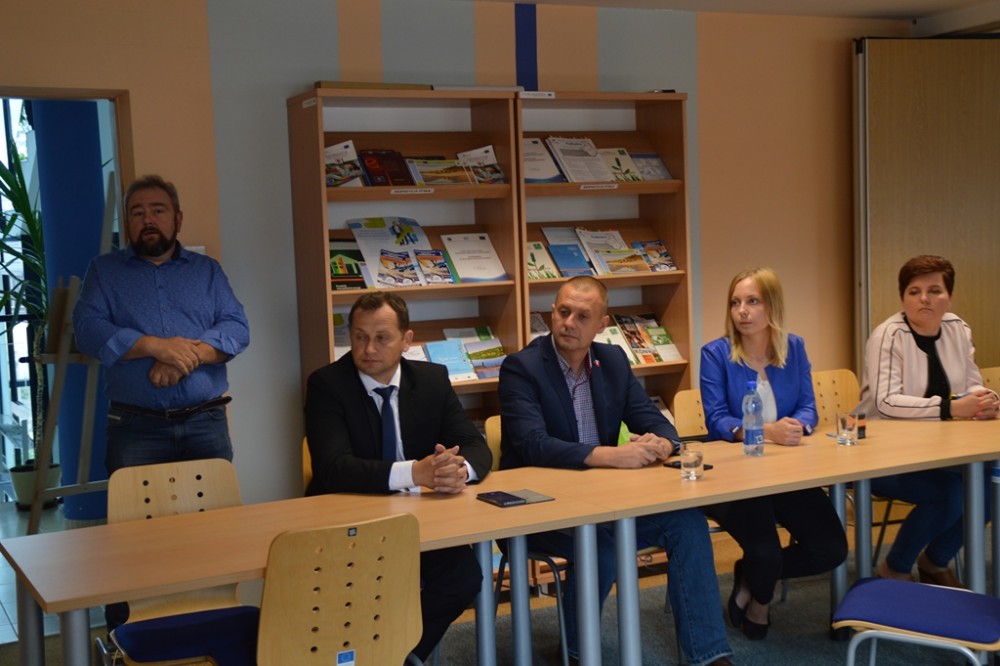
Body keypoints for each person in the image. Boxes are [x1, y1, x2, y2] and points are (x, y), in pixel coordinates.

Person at [499, 276, 734, 666]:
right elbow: (531, 444)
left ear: (601, 324)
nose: (569, 322)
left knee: (688, 524)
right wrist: (610, 455)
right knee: (600, 546)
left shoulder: (612, 361)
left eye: (582, 316)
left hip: (606, 503)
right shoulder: (522, 368)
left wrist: (664, 442)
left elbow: (651, 419)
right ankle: (577, 653)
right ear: (552, 313)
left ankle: (708, 656)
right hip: (541, 510)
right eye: (563, 312)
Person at [304, 291, 492, 662]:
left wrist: (457, 471)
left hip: (422, 521)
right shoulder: (327, 384)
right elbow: (334, 467)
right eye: (359, 337)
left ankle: (395, 654)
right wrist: (416, 472)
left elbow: (475, 446)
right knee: (356, 592)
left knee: (463, 579)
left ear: (407, 340)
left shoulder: (432, 379)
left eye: (382, 338)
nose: (368, 349)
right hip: (349, 522)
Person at [700, 267, 847, 640]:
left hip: (786, 472)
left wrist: (797, 427)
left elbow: (808, 407)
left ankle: (750, 576)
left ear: (772, 306)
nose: (742, 311)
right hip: (734, 477)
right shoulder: (715, 354)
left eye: (753, 301)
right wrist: (767, 431)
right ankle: (760, 601)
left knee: (831, 549)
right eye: (735, 302)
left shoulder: (793, 347)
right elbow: (717, 420)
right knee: (765, 552)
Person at [73, 174, 250, 474]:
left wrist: (185, 357)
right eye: (137, 213)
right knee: (136, 507)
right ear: (127, 223)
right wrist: (154, 346)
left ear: (178, 219)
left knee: (215, 506)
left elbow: (237, 327)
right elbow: (87, 329)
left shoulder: (207, 270)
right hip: (134, 429)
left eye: (158, 210)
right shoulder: (104, 271)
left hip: (206, 424)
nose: (148, 220)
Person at [858, 255, 999, 586]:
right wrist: (952, 408)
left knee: (993, 485)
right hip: (879, 454)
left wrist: (985, 399)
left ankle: (934, 560)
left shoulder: (958, 328)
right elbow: (886, 402)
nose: (924, 299)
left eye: (934, 290)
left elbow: (971, 382)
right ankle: (895, 566)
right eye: (914, 291)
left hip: (938, 449)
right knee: (950, 493)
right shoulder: (887, 335)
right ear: (903, 298)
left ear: (949, 297)